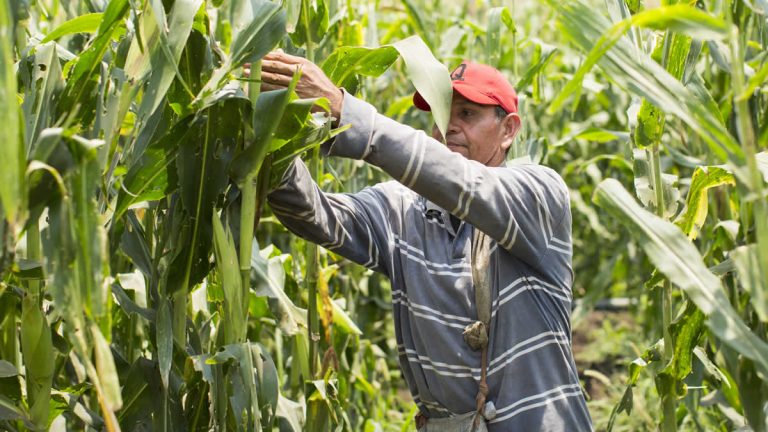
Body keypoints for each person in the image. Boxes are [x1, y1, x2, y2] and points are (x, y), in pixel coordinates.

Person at [261, 51, 593, 431]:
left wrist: (345, 112)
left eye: (467, 114)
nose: (448, 126)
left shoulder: (538, 195)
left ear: (508, 130)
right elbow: (317, 216)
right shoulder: (402, 209)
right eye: (441, 112)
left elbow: (464, 183)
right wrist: (271, 131)